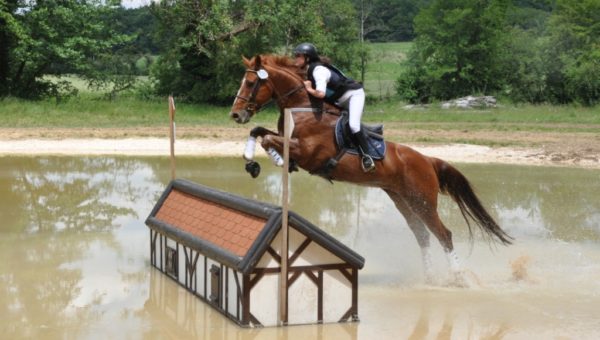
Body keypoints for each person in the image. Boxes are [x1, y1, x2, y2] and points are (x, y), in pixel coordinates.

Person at [293, 42, 375, 172]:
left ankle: (367, 156)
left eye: (298, 55)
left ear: (307, 58)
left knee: (353, 125)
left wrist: (308, 88)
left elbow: (321, 93)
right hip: (339, 100)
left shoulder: (318, 70)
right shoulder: (310, 70)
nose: (295, 58)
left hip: (353, 95)